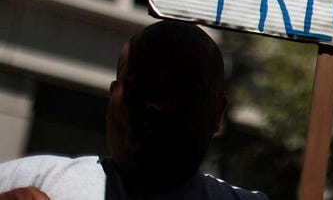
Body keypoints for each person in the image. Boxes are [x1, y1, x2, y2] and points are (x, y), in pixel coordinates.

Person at [0, 20, 267, 200]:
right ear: (113, 97)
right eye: (140, 88)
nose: (157, 106)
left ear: (216, 113)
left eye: (183, 92)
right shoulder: (33, 180)